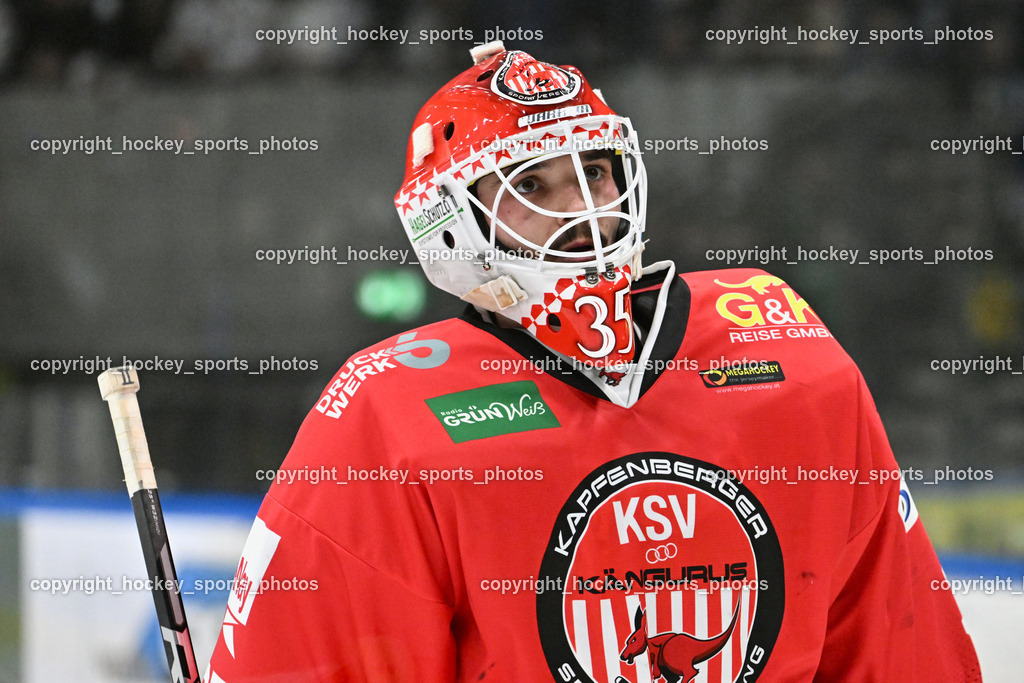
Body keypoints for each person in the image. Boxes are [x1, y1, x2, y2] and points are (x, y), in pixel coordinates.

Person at [204, 43, 981, 682]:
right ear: (450, 226)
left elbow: (899, 647)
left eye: (594, 173)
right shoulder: (386, 415)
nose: (579, 209)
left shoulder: (787, 353)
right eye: (530, 185)